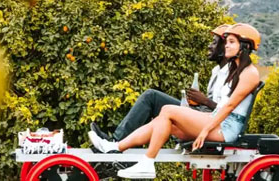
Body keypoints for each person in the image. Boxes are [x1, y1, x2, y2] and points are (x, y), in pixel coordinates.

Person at [88, 23, 261, 179]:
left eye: (231, 42)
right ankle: (115, 147)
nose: (226, 45)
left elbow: (229, 106)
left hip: (225, 128)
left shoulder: (249, 73)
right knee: (164, 122)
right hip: (215, 121)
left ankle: (147, 163)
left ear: (244, 47)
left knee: (168, 110)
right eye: (226, 41)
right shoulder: (234, 70)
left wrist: (204, 131)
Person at [90, 24, 231, 142]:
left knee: (151, 96)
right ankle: (122, 142)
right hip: (200, 114)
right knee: (152, 98)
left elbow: (228, 111)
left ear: (225, 47)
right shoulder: (216, 71)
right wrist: (196, 101)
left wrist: (204, 101)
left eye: (214, 42)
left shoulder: (232, 74)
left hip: (208, 122)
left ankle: (116, 142)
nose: (209, 46)